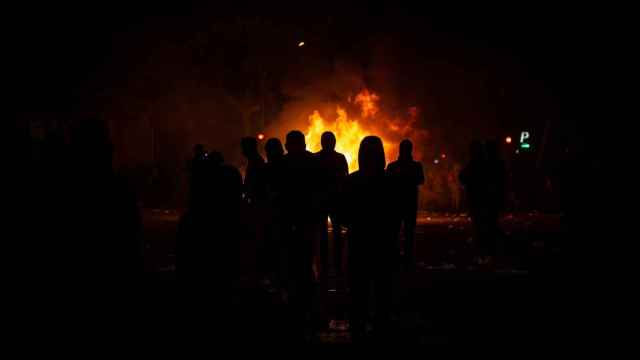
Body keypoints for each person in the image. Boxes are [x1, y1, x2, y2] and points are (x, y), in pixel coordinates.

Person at [342, 136, 395, 342]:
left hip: (359, 242)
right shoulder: (389, 181)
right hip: (383, 242)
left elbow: (341, 212)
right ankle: (381, 325)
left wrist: (354, 223)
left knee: (359, 288)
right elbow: (395, 212)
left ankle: (359, 326)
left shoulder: (352, 181)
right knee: (383, 287)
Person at [279, 130, 322, 342]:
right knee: (305, 258)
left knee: (293, 259)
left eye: (288, 142)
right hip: (306, 218)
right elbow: (319, 190)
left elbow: (278, 191)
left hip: (291, 219)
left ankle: (297, 298)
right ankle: (307, 297)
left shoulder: (284, 163)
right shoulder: (312, 161)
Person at [314, 131, 349, 277]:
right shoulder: (340, 158)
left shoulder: (315, 158)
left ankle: (324, 264)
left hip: (322, 200)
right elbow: (345, 179)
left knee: (322, 234)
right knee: (336, 233)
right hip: (335, 200)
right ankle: (337, 263)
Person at [386, 139, 425, 267]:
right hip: (409, 203)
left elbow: (387, 183)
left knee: (394, 232)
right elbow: (420, 180)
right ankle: (407, 258)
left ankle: (395, 256)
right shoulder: (416, 166)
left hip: (396, 204)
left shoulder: (392, 167)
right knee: (408, 232)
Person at [240, 137, 266, 205]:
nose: (242, 150)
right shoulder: (255, 160)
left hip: (258, 202)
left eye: (243, 147)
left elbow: (252, 184)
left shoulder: (255, 161)